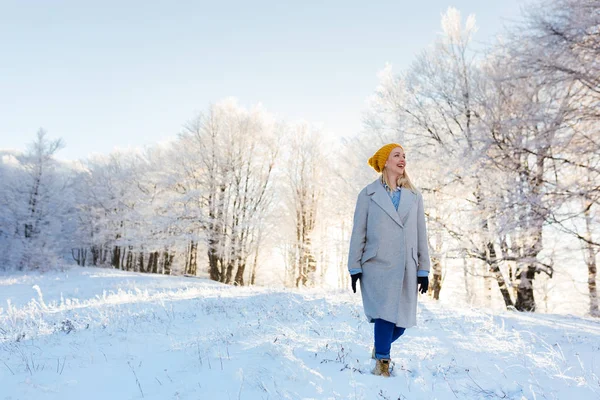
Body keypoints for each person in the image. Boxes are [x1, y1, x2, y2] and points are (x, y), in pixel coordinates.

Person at [348, 143, 430, 377]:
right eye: (397, 155)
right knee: (384, 315)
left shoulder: (414, 196)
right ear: (385, 162)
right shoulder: (368, 194)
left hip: (406, 266)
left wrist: (423, 269)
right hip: (376, 264)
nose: (402, 159)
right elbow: (358, 232)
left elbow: (421, 233)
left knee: (401, 323)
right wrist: (354, 266)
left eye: (404, 156)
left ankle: (380, 346)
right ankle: (382, 362)